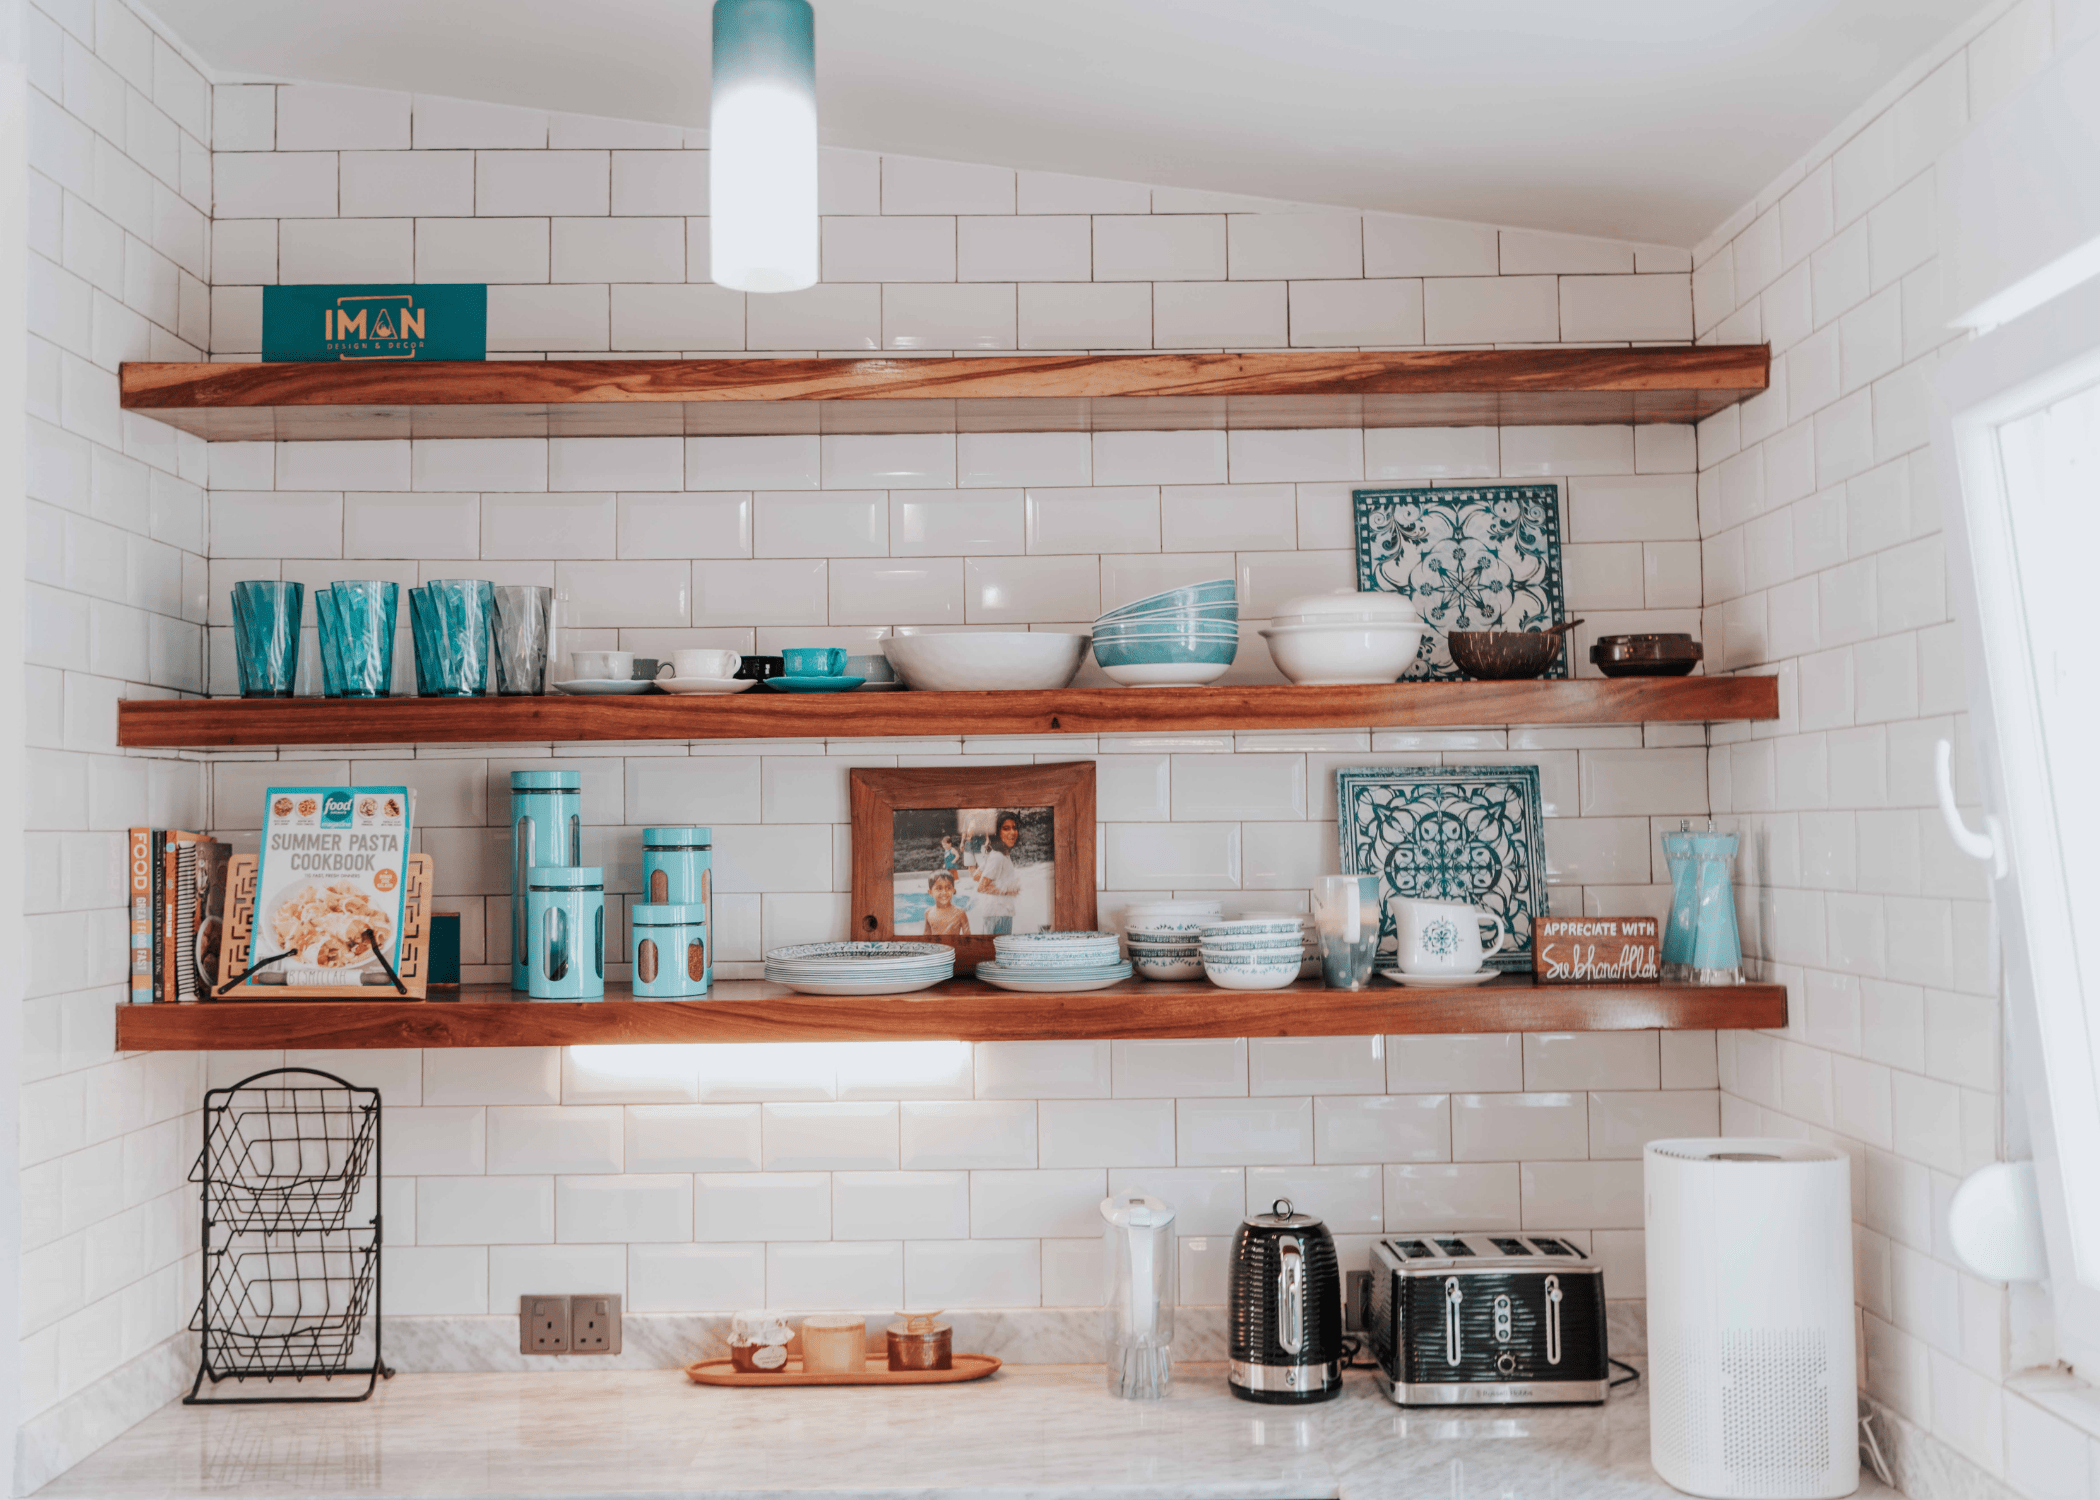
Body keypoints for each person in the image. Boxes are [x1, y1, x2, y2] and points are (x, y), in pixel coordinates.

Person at [971, 812, 1025, 935]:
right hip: (999, 914)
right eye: (1006, 828)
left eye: (1014, 828)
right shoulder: (998, 857)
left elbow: (976, 876)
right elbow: (982, 887)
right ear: (997, 833)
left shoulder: (998, 855)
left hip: (996, 912)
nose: (1012, 832)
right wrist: (1008, 891)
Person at [921, 870, 970, 936]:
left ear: (953, 890)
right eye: (939, 888)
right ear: (930, 892)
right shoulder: (928, 913)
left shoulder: (960, 913)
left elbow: (968, 936)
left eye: (948, 888)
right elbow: (926, 935)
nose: (944, 892)